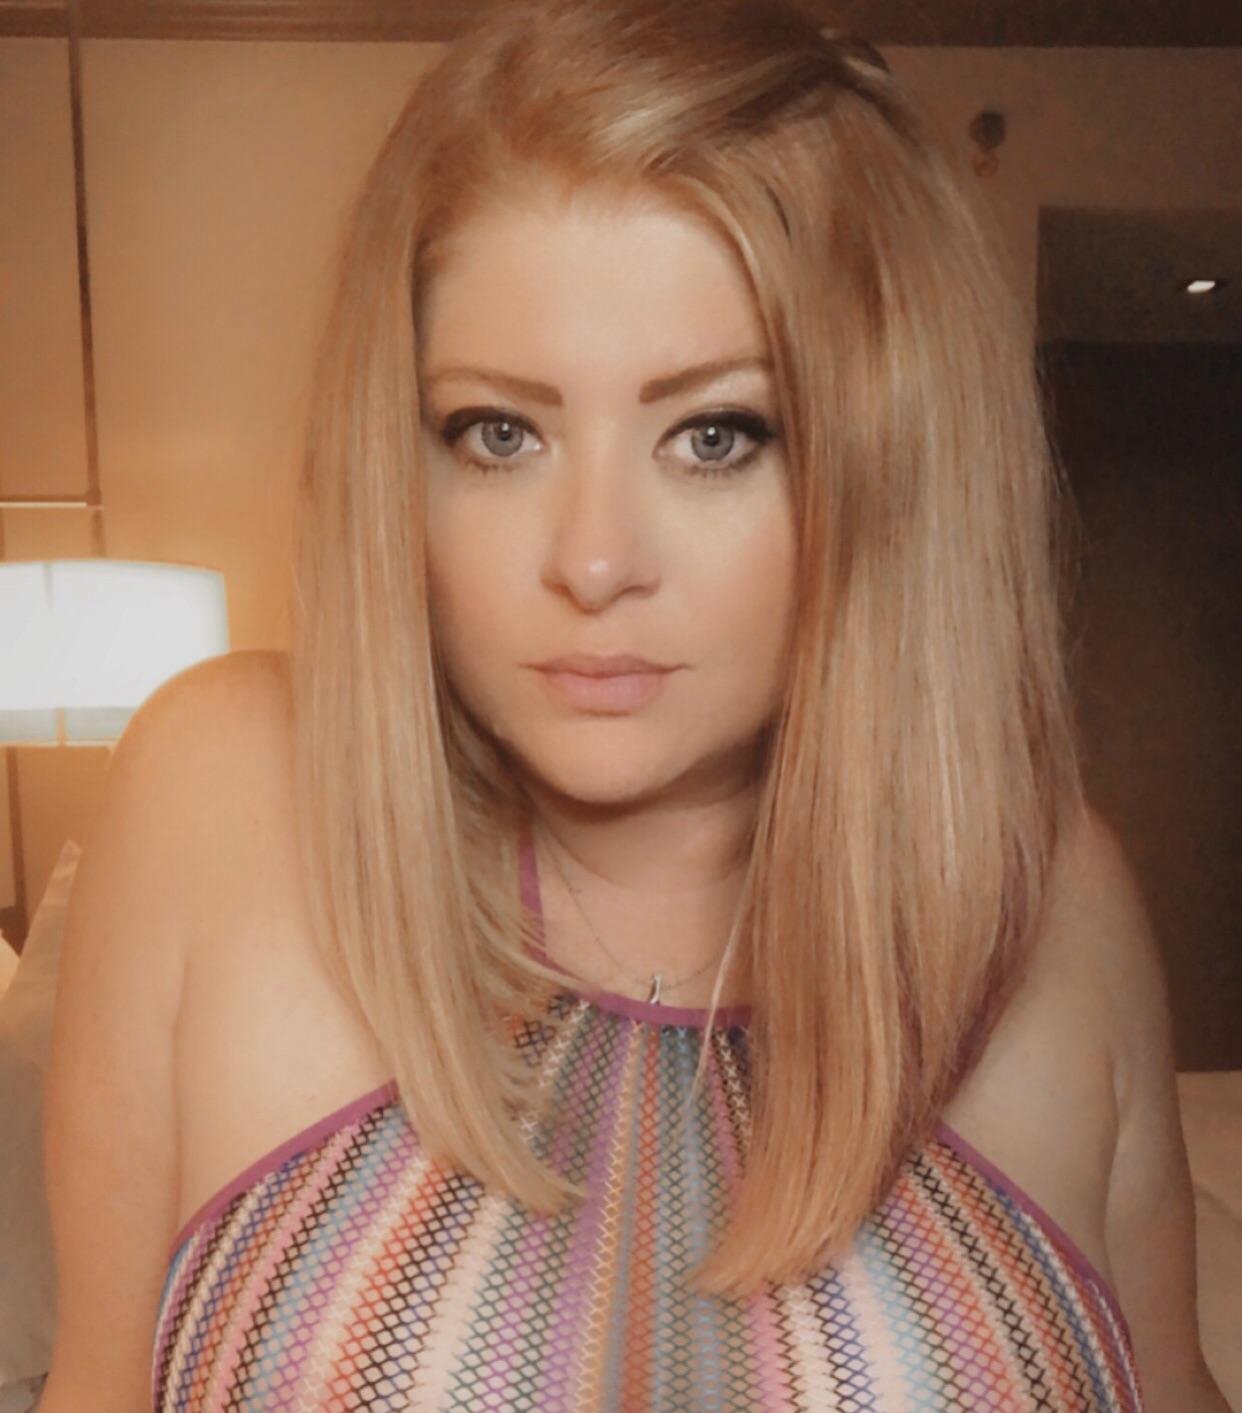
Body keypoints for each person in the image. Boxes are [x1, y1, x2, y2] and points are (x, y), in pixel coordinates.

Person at [38, 0, 1228, 1408]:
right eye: (498, 432)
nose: (592, 560)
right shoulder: (223, 799)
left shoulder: (1053, 900)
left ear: (886, 458)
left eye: (716, 434)